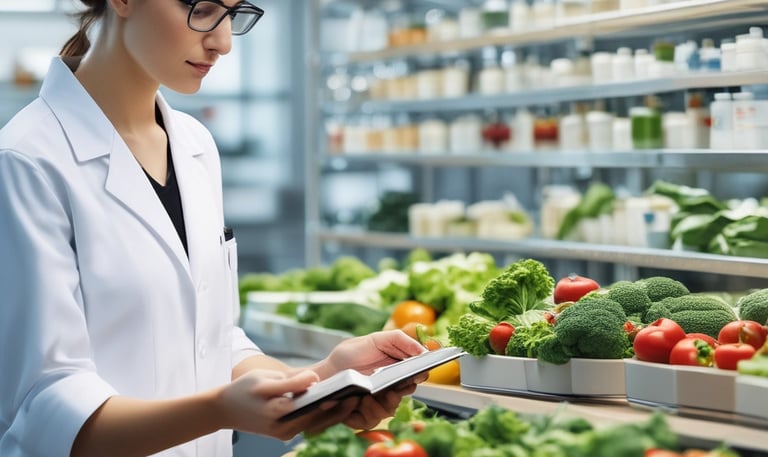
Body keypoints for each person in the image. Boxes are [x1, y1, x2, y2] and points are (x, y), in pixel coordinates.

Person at [0, 1, 427, 456]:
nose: (223, 42)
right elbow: (46, 407)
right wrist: (218, 410)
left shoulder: (194, 145)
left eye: (233, 12)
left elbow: (212, 341)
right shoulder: (27, 162)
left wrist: (322, 382)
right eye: (201, 8)